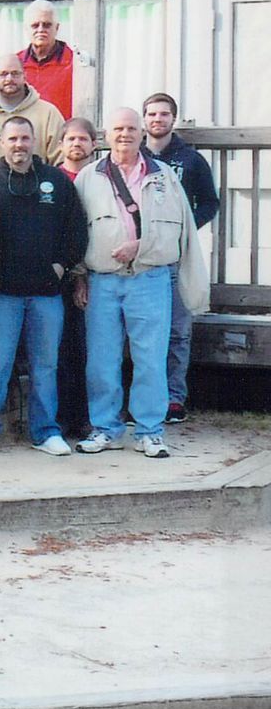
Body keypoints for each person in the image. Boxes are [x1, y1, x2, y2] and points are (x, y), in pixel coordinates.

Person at [74, 107, 209, 458]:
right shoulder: (89, 177)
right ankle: (105, 428)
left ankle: (150, 430)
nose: (125, 135)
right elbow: (73, 231)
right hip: (103, 280)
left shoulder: (163, 175)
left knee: (151, 358)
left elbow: (181, 232)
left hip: (150, 279)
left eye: (131, 128)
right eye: (118, 128)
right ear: (107, 135)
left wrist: (142, 245)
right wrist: (79, 277)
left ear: (141, 133)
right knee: (102, 360)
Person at [0, 116, 88, 458]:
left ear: (35, 141)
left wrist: (61, 266)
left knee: (46, 365)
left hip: (46, 294)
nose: (19, 145)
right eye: (12, 139)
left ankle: (45, 430)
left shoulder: (56, 182)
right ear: (3, 143)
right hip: (1, 294)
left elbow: (76, 229)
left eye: (25, 138)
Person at [143, 92, 219, 424]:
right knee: (143, 332)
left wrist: (185, 228)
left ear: (173, 119)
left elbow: (210, 202)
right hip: (140, 256)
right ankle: (143, 398)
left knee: (177, 329)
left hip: (177, 256)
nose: (157, 119)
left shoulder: (191, 160)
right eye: (151, 114)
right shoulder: (134, 157)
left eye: (163, 114)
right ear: (143, 119)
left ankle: (174, 398)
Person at [55, 115, 101, 438]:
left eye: (83, 139)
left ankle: (86, 416)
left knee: (86, 350)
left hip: (92, 273)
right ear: (61, 144)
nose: (76, 144)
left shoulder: (101, 178)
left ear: (93, 144)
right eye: (70, 139)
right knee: (59, 349)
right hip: (59, 274)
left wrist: (84, 273)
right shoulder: (52, 179)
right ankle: (59, 416)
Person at [0, 55, 65, 169]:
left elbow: (61, 162)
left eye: (15, 73)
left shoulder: (48, 114)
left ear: (24, 76)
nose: (9, 79)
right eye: (3, 74)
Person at [19, 0, 75, 117]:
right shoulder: (15, 64)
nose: (40, 30)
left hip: (61, 132)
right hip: (24, 133)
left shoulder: (74, 63)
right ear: (26, 28)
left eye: (47, 25)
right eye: (35, 25)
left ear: (57, 28)